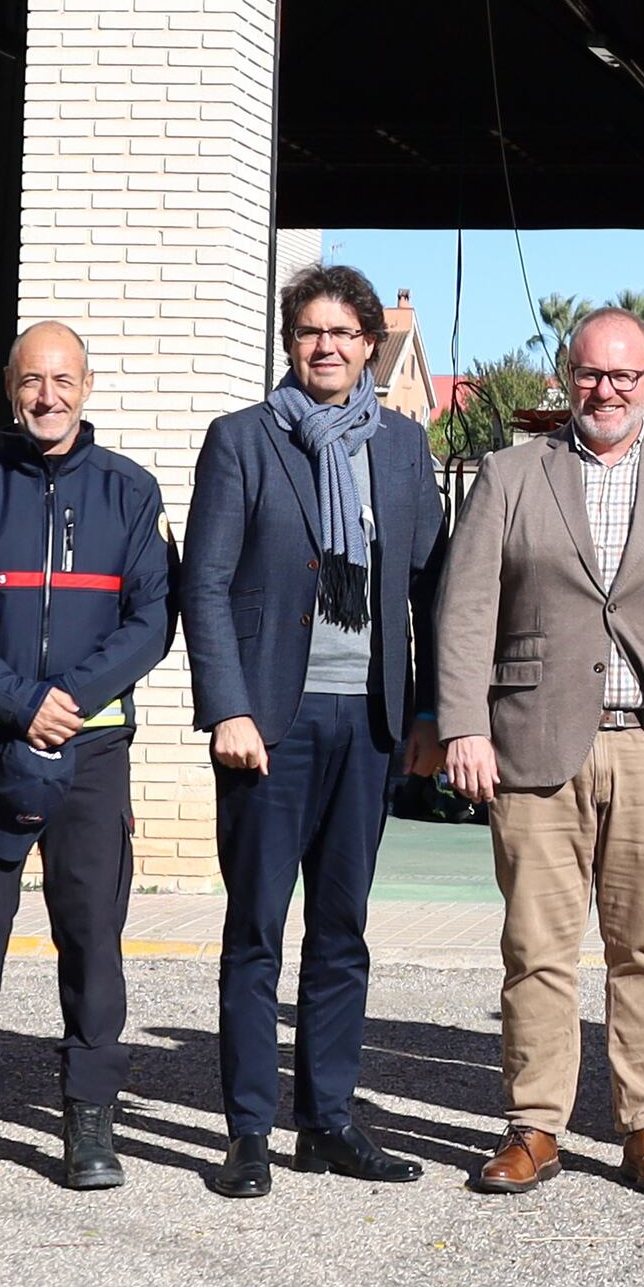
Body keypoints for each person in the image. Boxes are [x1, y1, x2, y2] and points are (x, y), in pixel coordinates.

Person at [431, 310, 644, 1198]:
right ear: (566, 378)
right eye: (590, 374)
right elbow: (465, 607)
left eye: (625, 376)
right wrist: (463, 724)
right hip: (534, 748)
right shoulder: (509, 476)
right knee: (536, 947)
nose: (606, 390)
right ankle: (535, 1126)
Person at [183, 264, 448, 1196]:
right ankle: (249, 1129)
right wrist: (228, 708)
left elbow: (430, 587)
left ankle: (328, 1119)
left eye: (343, 332)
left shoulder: (406, 447)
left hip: (370, 727)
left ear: (372, 344)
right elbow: (205, 585)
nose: (326, 346)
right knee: (256, 928)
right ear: (289, 342)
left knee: (342, 931)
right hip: (271, 724)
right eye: (309, 332)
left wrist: (427, 716)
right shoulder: (243, 441)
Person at [0, 320, 175, 1196]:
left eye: (63, 381)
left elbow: (152, 620)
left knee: (93, 938)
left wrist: (66, 700)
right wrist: (21, 704)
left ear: (88, 386)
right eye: (32, 380)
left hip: (94, 749)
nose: (47, 397)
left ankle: (89, 1119)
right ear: (8, 385)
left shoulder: (130, 493)